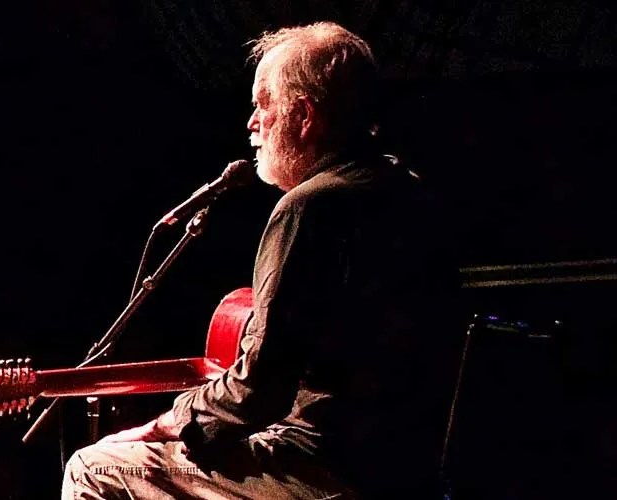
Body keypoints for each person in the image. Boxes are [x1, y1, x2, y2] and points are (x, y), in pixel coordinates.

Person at [62, 21, 460, 499]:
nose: (251, 122)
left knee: (94, 466)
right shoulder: (408, 190)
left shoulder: (311, 206)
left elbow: (259, 389)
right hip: (404, 472)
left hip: (318, 472)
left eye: (262, 103)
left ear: (305, 115)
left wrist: (170, 422)